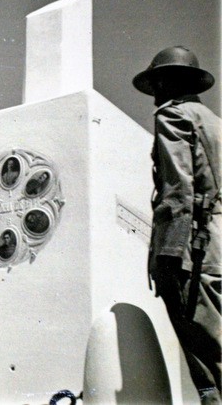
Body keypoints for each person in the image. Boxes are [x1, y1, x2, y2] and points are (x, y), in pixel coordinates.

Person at [133, 46, 221, 403]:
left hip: (192, 246)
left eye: (157, 82)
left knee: (206, 353)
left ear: (170, 81)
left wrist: (168, 255)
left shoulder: (173, 116)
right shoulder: (214, 122)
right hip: (216, 243)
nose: (154, 92)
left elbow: (177, 188)